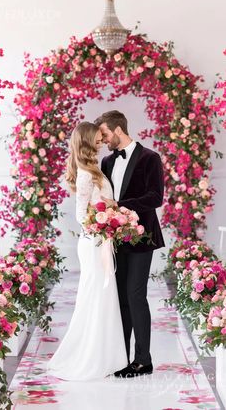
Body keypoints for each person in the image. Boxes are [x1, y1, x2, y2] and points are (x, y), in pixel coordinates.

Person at [46, 121, 127, 380]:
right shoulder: (84, 173)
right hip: (93, 242)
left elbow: (99, 205)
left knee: (104, 296)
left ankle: (109, 356)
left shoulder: (94, 168)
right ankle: (92, 357)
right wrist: (105, 224)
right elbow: (82, 215)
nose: (102, 140)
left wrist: (112, 213)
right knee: (96, 295)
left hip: (100, 239)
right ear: (87, 142)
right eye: (97, 137)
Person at [94, 110, 165, 378]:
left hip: (143, 236)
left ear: (119, 131)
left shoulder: (150, 158)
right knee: (121, 298)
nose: (103, 140)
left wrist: (121, 206)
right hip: (116, 239)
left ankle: (143, 360)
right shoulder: (107, 162)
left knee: (136, 295)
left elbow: (155, 197)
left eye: (105, 134)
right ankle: (121, 357)